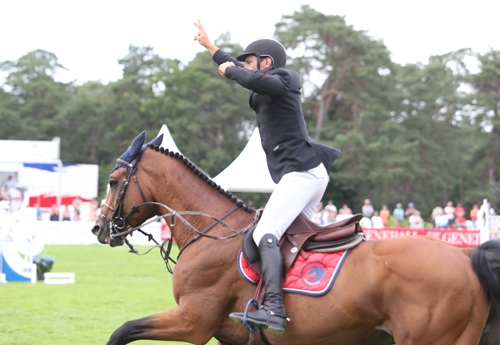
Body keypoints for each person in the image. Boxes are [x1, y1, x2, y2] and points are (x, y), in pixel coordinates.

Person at [194, 20, 341, 334]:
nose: (244, 66)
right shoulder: (265, 77)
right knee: (289, 239)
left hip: (302, 174)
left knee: (265, 235)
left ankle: (273, 308)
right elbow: (238, 68)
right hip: (305, 174)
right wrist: (212, 48)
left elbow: (250, 78)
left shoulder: (285, 78)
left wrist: (232, 71)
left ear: (267, 63)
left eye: (251, 62)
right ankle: (308, 301)